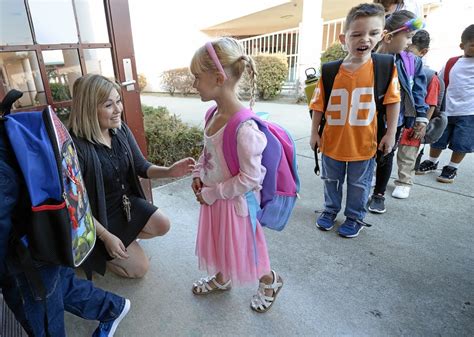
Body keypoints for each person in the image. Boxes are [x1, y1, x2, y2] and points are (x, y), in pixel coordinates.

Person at [0, 111, 130, 337]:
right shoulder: (8, 129)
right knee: (58, 285)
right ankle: (112, 308)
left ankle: (111, 308)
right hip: (42, 234)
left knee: (44, 318)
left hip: (22, 254)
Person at [68, 74, 195, 279]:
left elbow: (141, 166)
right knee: (139, 269)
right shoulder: (76, 148)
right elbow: (78, 207)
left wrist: (169, 171)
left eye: (118, 101)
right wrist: (106, 237)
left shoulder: (120, 130)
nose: (118, 109)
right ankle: (101, 251)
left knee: (163, 224)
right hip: (99, 218)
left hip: (126, 204)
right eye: (109, 104)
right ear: (89, 108)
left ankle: (124, 242)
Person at [189, 37, 283, 313]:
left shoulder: (245, 129)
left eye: (196, 77)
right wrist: (198, 172)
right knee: (220, 243)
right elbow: (208, 152)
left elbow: (251, 178)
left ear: (218, 77)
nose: (193, 84)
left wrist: (212, 192)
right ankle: (222, 277)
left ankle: (270, 281)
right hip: (214, 200)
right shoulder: (212, 113)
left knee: (248, 248)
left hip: (237, 205)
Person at [310, 3, 400, 237]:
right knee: (331, 179)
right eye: (357, 34)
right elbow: (318, 105)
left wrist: (390, 134)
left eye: (373, 33)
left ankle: (354, 217)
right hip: (332, 142)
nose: (365, 39)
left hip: (365, 144)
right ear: (344, 38)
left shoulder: (384, 67)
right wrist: (314, 133)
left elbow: (393, 101)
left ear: (383, 35)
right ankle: (330, 210)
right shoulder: (330, 71)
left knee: (359, 185)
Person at [367, 10, 428, 213]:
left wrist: (421, 116)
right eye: (407, 38)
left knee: (387, 155)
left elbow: (418, 91)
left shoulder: (411, 62)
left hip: (397, 120)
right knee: (366, 154)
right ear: (389, 36)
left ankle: (379, 194)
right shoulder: (368, 58)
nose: (409, 44)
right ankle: (364, 187)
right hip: (368, 118)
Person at [416, 24, 474, 182]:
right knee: (438, 138)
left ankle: (452, 167)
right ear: (462, 46)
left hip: (469, 112)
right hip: (448, 109)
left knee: (461, 143)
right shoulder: (452, 62)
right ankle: (432, 162)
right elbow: (441, 82)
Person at [391, 29, 443, 198]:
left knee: (408, 155)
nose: (406, 54)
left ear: (423, 52)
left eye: (410, 50)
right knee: (386, 150)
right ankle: (378, 177)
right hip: (396, 116)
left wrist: (423, 124)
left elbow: (431, 103)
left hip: (414, 121)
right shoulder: (395, 63)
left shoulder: (429, 76)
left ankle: (404, 182)